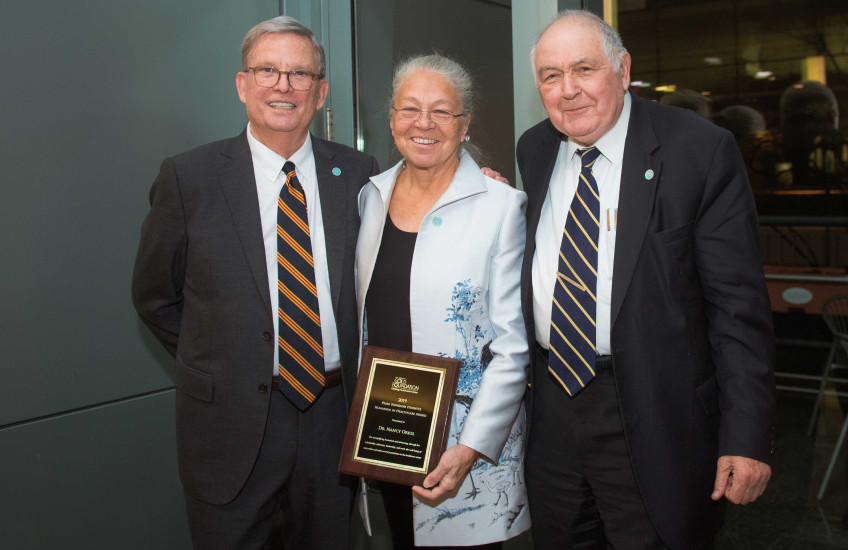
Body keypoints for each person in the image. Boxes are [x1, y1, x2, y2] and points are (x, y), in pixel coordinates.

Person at [517, 10, 775, 549]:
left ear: (622, 67)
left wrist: (746, 437)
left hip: (657, 416)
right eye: (550, 76)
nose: (568, 91)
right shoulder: (535, 148)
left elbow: (738, 310)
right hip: (553, 415)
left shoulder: (698, 151)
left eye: (584, 69)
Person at [131, 15, 379, 549]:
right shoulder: (189, 177)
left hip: (332, 418)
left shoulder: (361, 175)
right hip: (231, 422)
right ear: (243, 84)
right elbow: (155, 297)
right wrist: (224, 361)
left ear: (321, 91)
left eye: (299, 74)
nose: (283, 86)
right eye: (267, 70)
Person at [355, 54, 531, 548]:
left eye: (441, 111)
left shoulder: (501, 207)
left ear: (465, 123)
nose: (423, 123)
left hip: (463, 444)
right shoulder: (368, 198)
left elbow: (512, 347)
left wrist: (472, 445)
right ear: (391, 119)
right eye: (410, 109)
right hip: (387, 432)